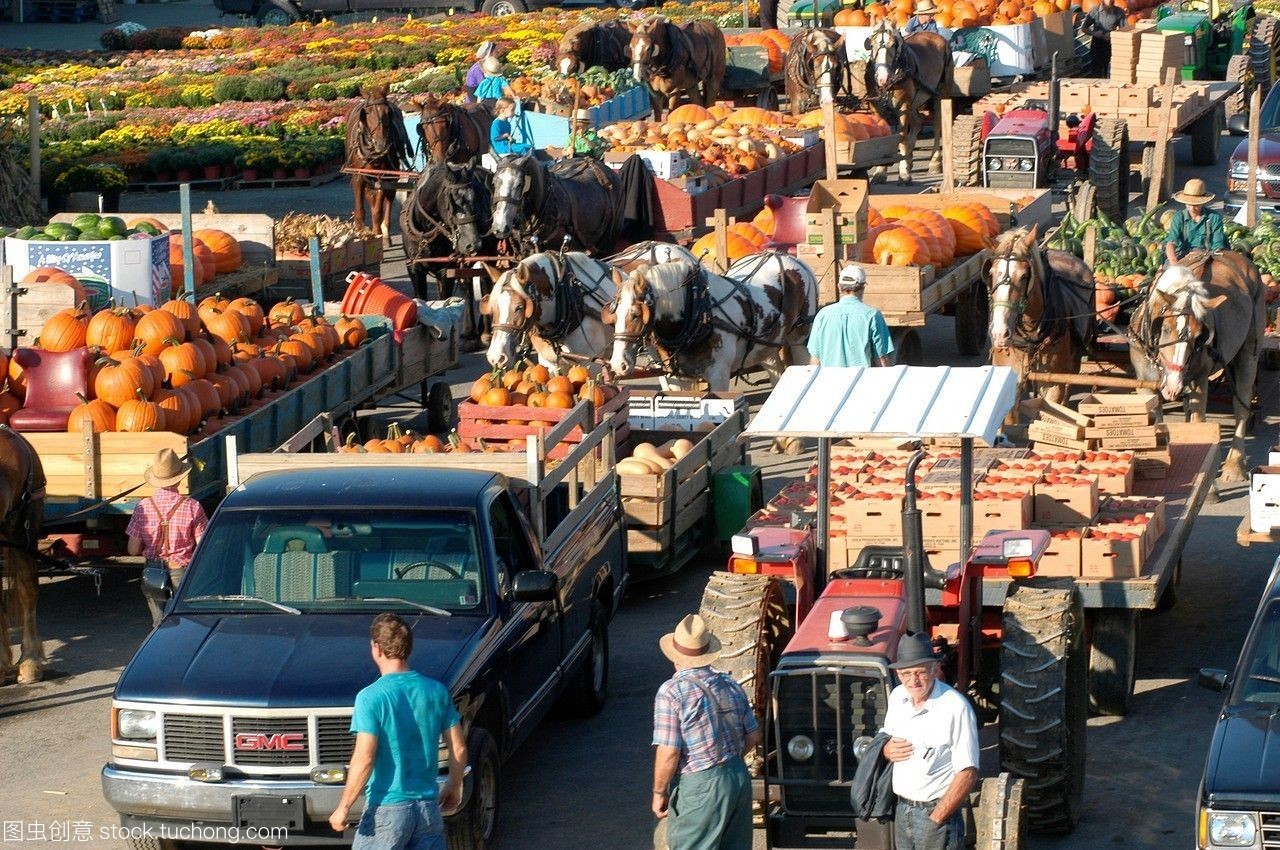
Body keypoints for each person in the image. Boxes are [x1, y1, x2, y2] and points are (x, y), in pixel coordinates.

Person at [329, 613, 467, 849]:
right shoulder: (436, 691)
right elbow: (459, 746)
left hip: (387, 808)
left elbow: (365, 758)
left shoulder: (370, 697)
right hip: (427, 808)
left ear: (377, 648)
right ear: (409, 649)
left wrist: (343, 807)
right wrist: (454, 785)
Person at [652, 614, 761, 850]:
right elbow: (753, 735)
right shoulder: (731, 684)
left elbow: (669, 751)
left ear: (675, 657)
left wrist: (659, 791)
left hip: (700, 785)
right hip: (738, 778)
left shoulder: (672, 692)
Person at [881, 633, 980, 850]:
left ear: (934, 669)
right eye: (906, 673)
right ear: (898, 673)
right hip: (903, 809)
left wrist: (938, 817)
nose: (912, 680)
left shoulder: (955, 707)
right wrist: (887, 750)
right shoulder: (898, 697)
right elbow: (886, 741)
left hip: (935, 813)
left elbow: (968, 772)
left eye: (919, 672)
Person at [126, 448, 208, 626]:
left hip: (153, 571)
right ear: (179, 477)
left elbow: (132, 550)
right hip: (182, 569)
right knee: (186, 621)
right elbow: (203, 546)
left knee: (160, 624)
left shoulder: (143, 507)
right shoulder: (193, 506)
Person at [807, 265, 895, 367]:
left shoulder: (823, 315)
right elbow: (882, 359)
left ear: (839, 287)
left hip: (829, 381)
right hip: (860, 380)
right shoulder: (872, 315)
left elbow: (815, 359)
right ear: (862, 288)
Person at [1164, 178, 1227, 264]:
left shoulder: (1214, 217)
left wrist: (1211, 255)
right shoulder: (1179, 218)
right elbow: (1171, 242)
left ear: (1203, 202)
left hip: (1208, 256)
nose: (1192, 208)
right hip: (1182, 256)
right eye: (1189, 204)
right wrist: (1173, 260)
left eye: (1196, 205)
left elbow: (1218, 244)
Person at [1082, 0, 1126, 76]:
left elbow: (1124, 31)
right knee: (1096, 69)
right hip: (1097, 43)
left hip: (1110, 43)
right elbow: (1084, 28)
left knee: (1107, 69)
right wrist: (1094, 33)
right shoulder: (1095, 10)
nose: (1109, 1)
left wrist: (1114, 36)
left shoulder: (1119, 12)